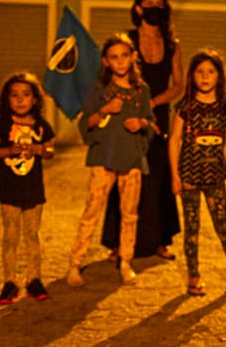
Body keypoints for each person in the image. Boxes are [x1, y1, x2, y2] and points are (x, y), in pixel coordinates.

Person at [103, 0, 182, 262]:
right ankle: (117, 243)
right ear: (138, 8)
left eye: (159, 3)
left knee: (157, 176)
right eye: (149, 3)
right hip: (126, 115)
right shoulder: (128, 41)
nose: (154, 8)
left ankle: (160, 241)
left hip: (157, 116)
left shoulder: (173, 45)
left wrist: (152, 104)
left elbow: (178, 85)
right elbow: (114, 75)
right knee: (123, 176)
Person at [66, 34, 154, 287]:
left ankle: (126, 261)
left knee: (129, 214)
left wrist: (141, 123)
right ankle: (75, 262)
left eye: (125, 55)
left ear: (133, 57)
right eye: (114, 57)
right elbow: (85, 123)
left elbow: (149, 122)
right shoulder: (99, 89)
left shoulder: (141, 90)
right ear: (106, 61)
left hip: (132, 159)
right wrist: (105, 110)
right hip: (104, 157)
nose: (121, 62)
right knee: (91, 210)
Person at [168, 49, 226, 297]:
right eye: (199, 71)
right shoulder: (185, 107)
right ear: (192, 76)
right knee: (192, 228)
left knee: (222, 225)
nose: (205, 77)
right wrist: (175, 176)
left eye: (211, 71)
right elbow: (175, 140)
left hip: (215, 178)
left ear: (219, 76)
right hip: (189, 176)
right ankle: (194, 278)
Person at [0, 72, 55, 303]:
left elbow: (50, 151)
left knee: (32, 235)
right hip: (9, 190)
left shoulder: (41, 125)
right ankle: (10, 282)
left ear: (35, 99)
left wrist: (39, 150)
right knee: (10, 236)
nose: (20, 100)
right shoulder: (3, 124)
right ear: (7, 100)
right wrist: (9, 151)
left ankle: (34, 280)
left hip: (33, 189)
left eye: (26, 95)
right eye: (14, 95)